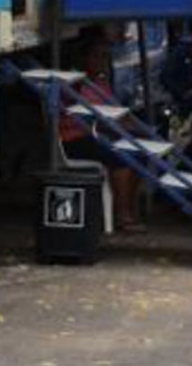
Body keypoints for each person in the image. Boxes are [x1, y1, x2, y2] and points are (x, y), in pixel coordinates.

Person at [59, 27, 143, 231]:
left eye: (105, 57)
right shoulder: (72, 82)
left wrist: (133, 127)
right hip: (75, 138)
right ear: (84, 57)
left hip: (99, 133)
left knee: (140, 152)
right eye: (97, 56)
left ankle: (128, 208)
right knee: (120, 155)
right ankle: (123, 215)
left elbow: (114, 110)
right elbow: (84, 116)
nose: (102, 62)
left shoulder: (100, 81)